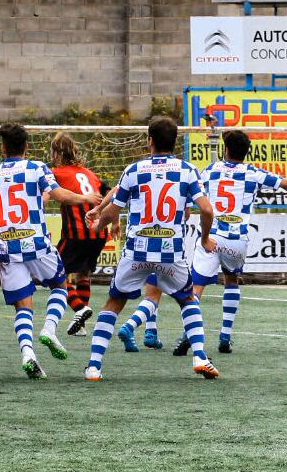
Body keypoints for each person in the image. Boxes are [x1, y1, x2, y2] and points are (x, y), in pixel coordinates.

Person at [82, 116, 219, 381]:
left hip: (137, 252)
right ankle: (200, 357)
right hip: (170, 254)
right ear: (175, 141)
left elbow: (114, 208)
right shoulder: (188, 170)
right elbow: (206, 209)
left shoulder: (134, 170)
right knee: (187, 299)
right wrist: (204, 239)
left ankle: (94, 367)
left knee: (114, 302)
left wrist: (98, 225)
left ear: (149, 141)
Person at [150, 129, 287, 355]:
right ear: (246, 152)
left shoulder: (211, 170)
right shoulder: (252, 172)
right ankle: (225, 336)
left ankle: (188, 335)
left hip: (211, 237)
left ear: (225, 149)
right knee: (232, 280)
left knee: (196, 287)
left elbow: (189, 193)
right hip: (237, 240)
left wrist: (183, 209)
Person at [0, 123, 101, 379]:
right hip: (37, 243)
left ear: (2, 147)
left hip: (7, 248)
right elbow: (59, 195)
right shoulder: (36, 168)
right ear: (26, 146)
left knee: (23, 306)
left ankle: (28, 354)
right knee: (59, 285)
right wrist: (86, 199)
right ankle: (48, 329)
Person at [48, 132, 111, 338]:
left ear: (57, 153)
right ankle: (81, 324)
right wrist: (115, 221)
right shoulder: (90, 174)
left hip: (76, 232)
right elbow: (110, 193)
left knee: (54, 274)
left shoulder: (55, 173)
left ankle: (79, 309)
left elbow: (46, 197)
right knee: (83, 274)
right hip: (98, 232)